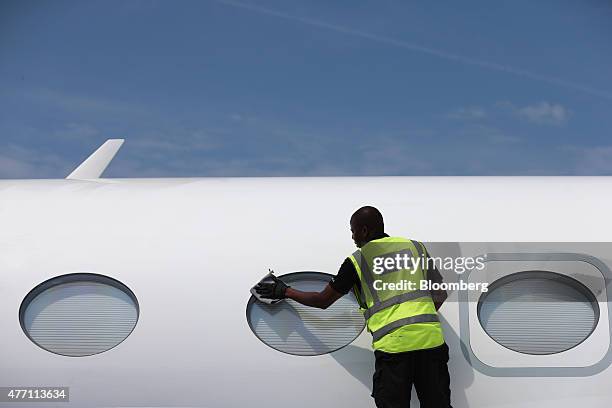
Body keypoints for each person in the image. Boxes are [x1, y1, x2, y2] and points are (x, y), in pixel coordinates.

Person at [255, 205, 453, 408]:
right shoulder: (415, 247)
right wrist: (417, 317)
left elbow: (323, 301)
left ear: (365, 230)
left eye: (353, 231)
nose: (352, 237)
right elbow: (441, 293)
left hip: (394, 349)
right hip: (431, 344)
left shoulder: (358, 261)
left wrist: (285, 291)